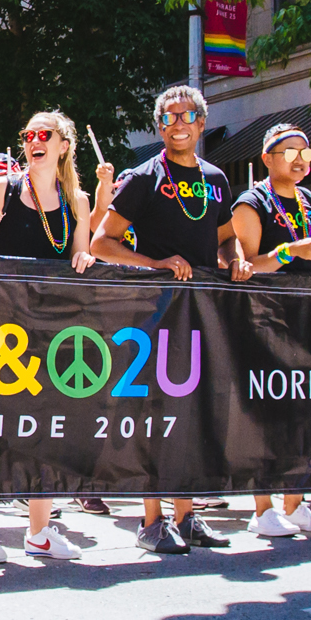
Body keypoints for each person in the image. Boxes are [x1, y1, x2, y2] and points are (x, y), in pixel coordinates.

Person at [86, 85, 229, 555]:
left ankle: (187, 518)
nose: (178, 124)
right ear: (159, 127)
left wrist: (239, 258)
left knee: (191, 415)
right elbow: (102, 243)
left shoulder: (216, 178)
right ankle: (151, 521)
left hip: (204, 311)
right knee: (156, 415)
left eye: (187, 115)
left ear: (202, 123)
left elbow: (227, 239)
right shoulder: (146, 177)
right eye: (168, 118)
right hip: (154, 312)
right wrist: (157, 263)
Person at [0, 110, 89, 564]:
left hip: (53, 326)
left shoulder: (77, 200)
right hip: (0, 324)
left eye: (44, 135)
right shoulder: (3, 190)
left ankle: (40, 531)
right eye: (28, 135)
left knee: (47, 427)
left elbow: (80, 251)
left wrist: (83, 256)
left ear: (64, 144)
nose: (34, 142)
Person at [230, 122, 311, 539]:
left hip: (307, 320)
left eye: (305, 152)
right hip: (263, 319)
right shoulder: (251, 203)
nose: (298, 159)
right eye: (289, 151)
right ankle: (262, 507)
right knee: (265, 414)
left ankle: (297, 502)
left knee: (302, 414)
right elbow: (242, 267)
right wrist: (287, 252)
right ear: (267, 159)